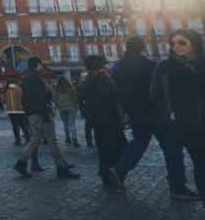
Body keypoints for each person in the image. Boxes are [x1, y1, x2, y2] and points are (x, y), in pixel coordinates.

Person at [108, 35, 199, 200]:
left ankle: (120, 169)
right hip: (156, 113)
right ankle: (177, 186)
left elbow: (116, 93)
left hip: (135, 113)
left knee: (139, 142)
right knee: (172, 149)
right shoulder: (151, 65)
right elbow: (160, 89)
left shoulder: (116, 68)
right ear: (143, 48)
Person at [135, 30, 204, 204]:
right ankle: (178, 188)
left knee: (201, 162)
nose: (176, 47)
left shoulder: (201, 64)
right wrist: (167, 111)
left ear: (193, 43)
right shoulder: (164, 66)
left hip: (199, 122)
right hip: (174, 122)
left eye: (182, 42)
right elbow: (155, 93)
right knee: (174, 157)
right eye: (173, 43)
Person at [14, 57, 79, 179]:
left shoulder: (26, 79)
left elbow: (26, 99)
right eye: (41, 64)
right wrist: (45, 114)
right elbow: (40, 98)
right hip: (41, 113)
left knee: (35, 139)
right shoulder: (35, 79)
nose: (42, 67)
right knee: (51, 140)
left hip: (32, 114)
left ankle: (21, 163)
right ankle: (61, 168)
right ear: (37, 65)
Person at [77, 55, 126, 189]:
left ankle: (106, 173)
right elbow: (110, 96)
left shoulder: (87, 80)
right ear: (99, 67)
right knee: (115, 147)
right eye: (104, 65)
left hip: (98, 119)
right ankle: (111, 175)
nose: (106, 67)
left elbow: (81, 97)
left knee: (105, 148)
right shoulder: (102, 79)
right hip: (109, 118)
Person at [54, 76, 80, 147]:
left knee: (65, 124)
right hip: (71, 107)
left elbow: (54, 99)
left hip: (62, 108)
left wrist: (58, 105)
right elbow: (75, 97)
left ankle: (67, 138)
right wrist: (75, 105)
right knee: (72, 124)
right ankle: (74, 139)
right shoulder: (70, 87)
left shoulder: (56, 89)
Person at [3, 80, 30, 146]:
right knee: (24, 126)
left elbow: (4, 100)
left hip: (11, 111)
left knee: (15, 126)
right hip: (21, 110)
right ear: (15, 83)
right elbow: (24, 98)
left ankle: (18, 140)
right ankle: (28, 140)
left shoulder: (6, 90)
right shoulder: (19, 89)